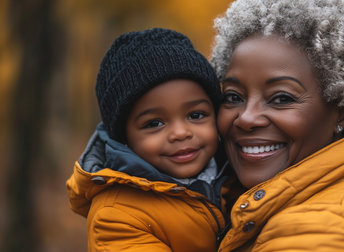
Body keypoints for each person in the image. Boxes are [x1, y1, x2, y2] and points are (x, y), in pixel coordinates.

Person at [210, 0, 344, 251]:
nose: (246, 118)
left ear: (341, 111)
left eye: (281, 98)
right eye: (233, 96)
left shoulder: (328, 231)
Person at [66, 28, 229, 251]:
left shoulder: (239, 172)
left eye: (196, 115)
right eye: (154, 123)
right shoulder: (116, 216)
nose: (180, 133)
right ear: (124, 138)